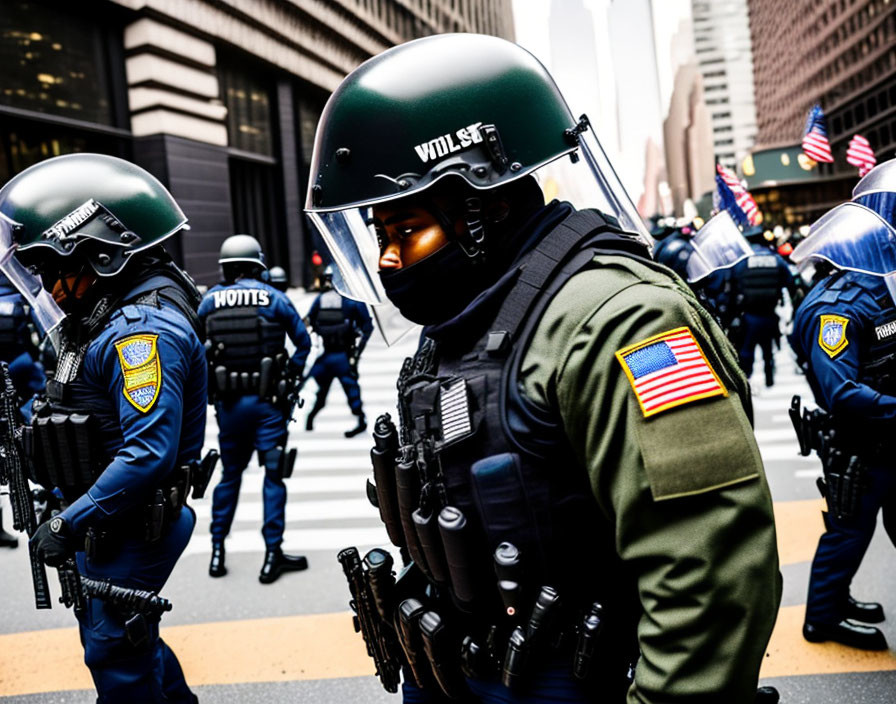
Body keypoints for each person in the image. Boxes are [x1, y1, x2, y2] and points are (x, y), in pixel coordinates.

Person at [307, 34, 780, 703]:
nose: (388, 260)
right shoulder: (469, 314)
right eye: (381, 237)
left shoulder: (624, 318)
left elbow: (707, 574)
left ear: (484, 206)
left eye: (406, 231)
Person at [0, 153, 204, 703]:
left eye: (54, 269)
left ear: (105, 257)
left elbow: (147, 453)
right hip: (106, 517)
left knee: (114, 651)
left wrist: (69, 524)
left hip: (133, 522)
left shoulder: (140, 333)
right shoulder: (96, 321)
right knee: (132, 642)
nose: (47, 287)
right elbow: (80, 415)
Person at [788, 161, 896, 651]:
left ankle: (837, 598)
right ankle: (822, 618)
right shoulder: (835, 307)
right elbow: (843, 393)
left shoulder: (878, 286)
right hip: (858, 443)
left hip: (887, 436)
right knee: (848, 531)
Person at [199, 234, 312, 583]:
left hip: (229, 406)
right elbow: (304, 345)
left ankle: (217, 552)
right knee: (274, 475)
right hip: (267, 404)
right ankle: (272, 555)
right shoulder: (274, 299)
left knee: (230, 475)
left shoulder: (208, 303)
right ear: (257, 266)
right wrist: (287, 380)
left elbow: (196, 351)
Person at [304, 268, 373, 437]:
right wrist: (357, 353)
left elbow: (307, 322)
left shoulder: (321, 300)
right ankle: (359, 420)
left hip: (330, 356)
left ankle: (311, 418)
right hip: (341, 356)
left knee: (320, 389)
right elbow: (367, 327)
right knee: (349, 391)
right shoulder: (353, 301)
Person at [730, 227, 796, 387]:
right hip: (770, 313)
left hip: (749, 315)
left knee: (747, 351)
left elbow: (732, 287)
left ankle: (746, 381)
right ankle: (769, 376)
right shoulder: (776, 259)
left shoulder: (741, 261)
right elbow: (791, 284)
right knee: (768, 349)